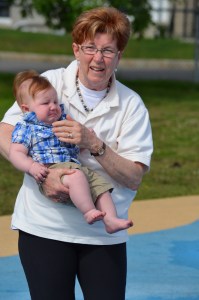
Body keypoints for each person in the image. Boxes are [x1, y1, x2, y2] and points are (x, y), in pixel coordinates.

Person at [0, 6, 153, 300]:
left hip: (103, 236)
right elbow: (6, 132)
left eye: (108, 51)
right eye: (90, 48)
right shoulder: (50, 84)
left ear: (119, 56)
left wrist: (93, 144)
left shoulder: (132, 105)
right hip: (45, 228)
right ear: (76, 49)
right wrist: (42, 174)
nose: (98, 58)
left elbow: (134, 177)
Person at [9, 70, 133, 232]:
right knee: (77, 178)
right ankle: (88, 211)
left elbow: (73, 144)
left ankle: (111, 220)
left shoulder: (63, 121)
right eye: (46, 103)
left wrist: (84, 140)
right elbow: (15, 153)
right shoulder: (27, 127)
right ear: (26, 109)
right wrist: (31, 167)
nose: (53, 106)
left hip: (75, 166)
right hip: (52, 168)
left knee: (101, 186)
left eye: (55, 101)